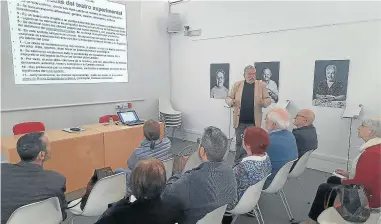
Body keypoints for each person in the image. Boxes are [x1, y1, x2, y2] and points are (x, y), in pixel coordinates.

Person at [300, 118, 381, 224]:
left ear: (370, 131)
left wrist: (344, 181)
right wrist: (348, 174)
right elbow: (370, 174)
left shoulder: (371, 153)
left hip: (368, 197)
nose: (358, 127)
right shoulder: (375, 148)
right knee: (332, 179)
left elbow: (362, 183)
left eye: (362, 125)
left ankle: (312, 221)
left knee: (324, 188)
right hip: (367, 189)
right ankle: (320, 213)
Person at [162, 126, 237, 224]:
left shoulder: (190, 181)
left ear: (202, 151)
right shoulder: (229, 171)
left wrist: (176, 173)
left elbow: (165, 196)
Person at [1, 132, 67, 224]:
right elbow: (62, 214)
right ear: (41, 155)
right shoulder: (57, 179)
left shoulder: (2, 169)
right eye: (49, 146)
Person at [95, 159, 181, 224]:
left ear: (133, 185)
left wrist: (116, 207)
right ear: (163, 182)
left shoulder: (118, 213)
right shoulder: (174, 209)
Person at [226, 65, 271, 165]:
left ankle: (251, 163)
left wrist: (264, 102)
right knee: (239, 143)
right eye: (249, 74)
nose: (252, 76)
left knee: (253, 144)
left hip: (254, 122)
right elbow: (228, 98)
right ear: (244, 75)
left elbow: (268, 99)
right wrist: (231, 101)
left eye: (254, 74)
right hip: (240, 121)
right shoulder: (237, 85)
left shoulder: (261, 85)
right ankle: (237, 163)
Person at [115, 119, 172, 191]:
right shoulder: (167, 143)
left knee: (118, 171)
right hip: (162, 175)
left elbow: (130, 165)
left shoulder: (138, 152)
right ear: (159, 132)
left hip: (145, 181)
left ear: (144, 134)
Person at [228, 127, 272, 210]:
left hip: (236, 202)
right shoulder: (266, 158)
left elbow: (228, 183)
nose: (242, 138)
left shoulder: (244, 167)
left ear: (248, 145)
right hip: (252, 198)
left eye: (243, 137)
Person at [264, 108, 298, 189]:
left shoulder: (269, 141)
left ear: (274, 124)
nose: (264, 121)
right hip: (279, 179)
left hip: (267, 181)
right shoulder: (290, 135)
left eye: (266, 119)